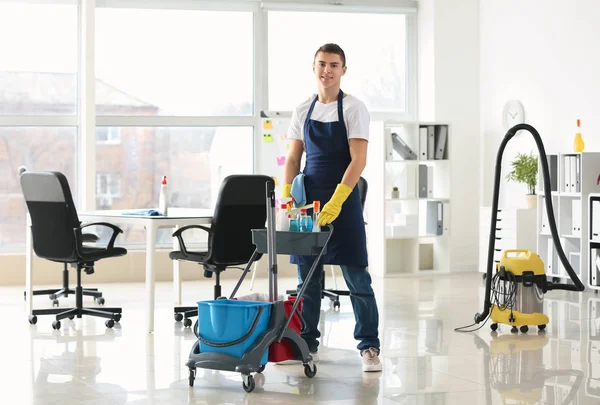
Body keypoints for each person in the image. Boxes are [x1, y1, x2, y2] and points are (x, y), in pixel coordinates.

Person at [280, 43, 381, 372]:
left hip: (344, 200)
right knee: (306, 279)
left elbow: (359, 159)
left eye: (334, 65)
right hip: (306, 200)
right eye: (322, 64)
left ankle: (369, 347)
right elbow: (294, 158)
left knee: (357, 276)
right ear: (313, 67)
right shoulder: (302, 109)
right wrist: (286, 197)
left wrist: (338, 200)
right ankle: (306, 343)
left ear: (343, 70)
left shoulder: (353, 108)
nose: (327, 70)